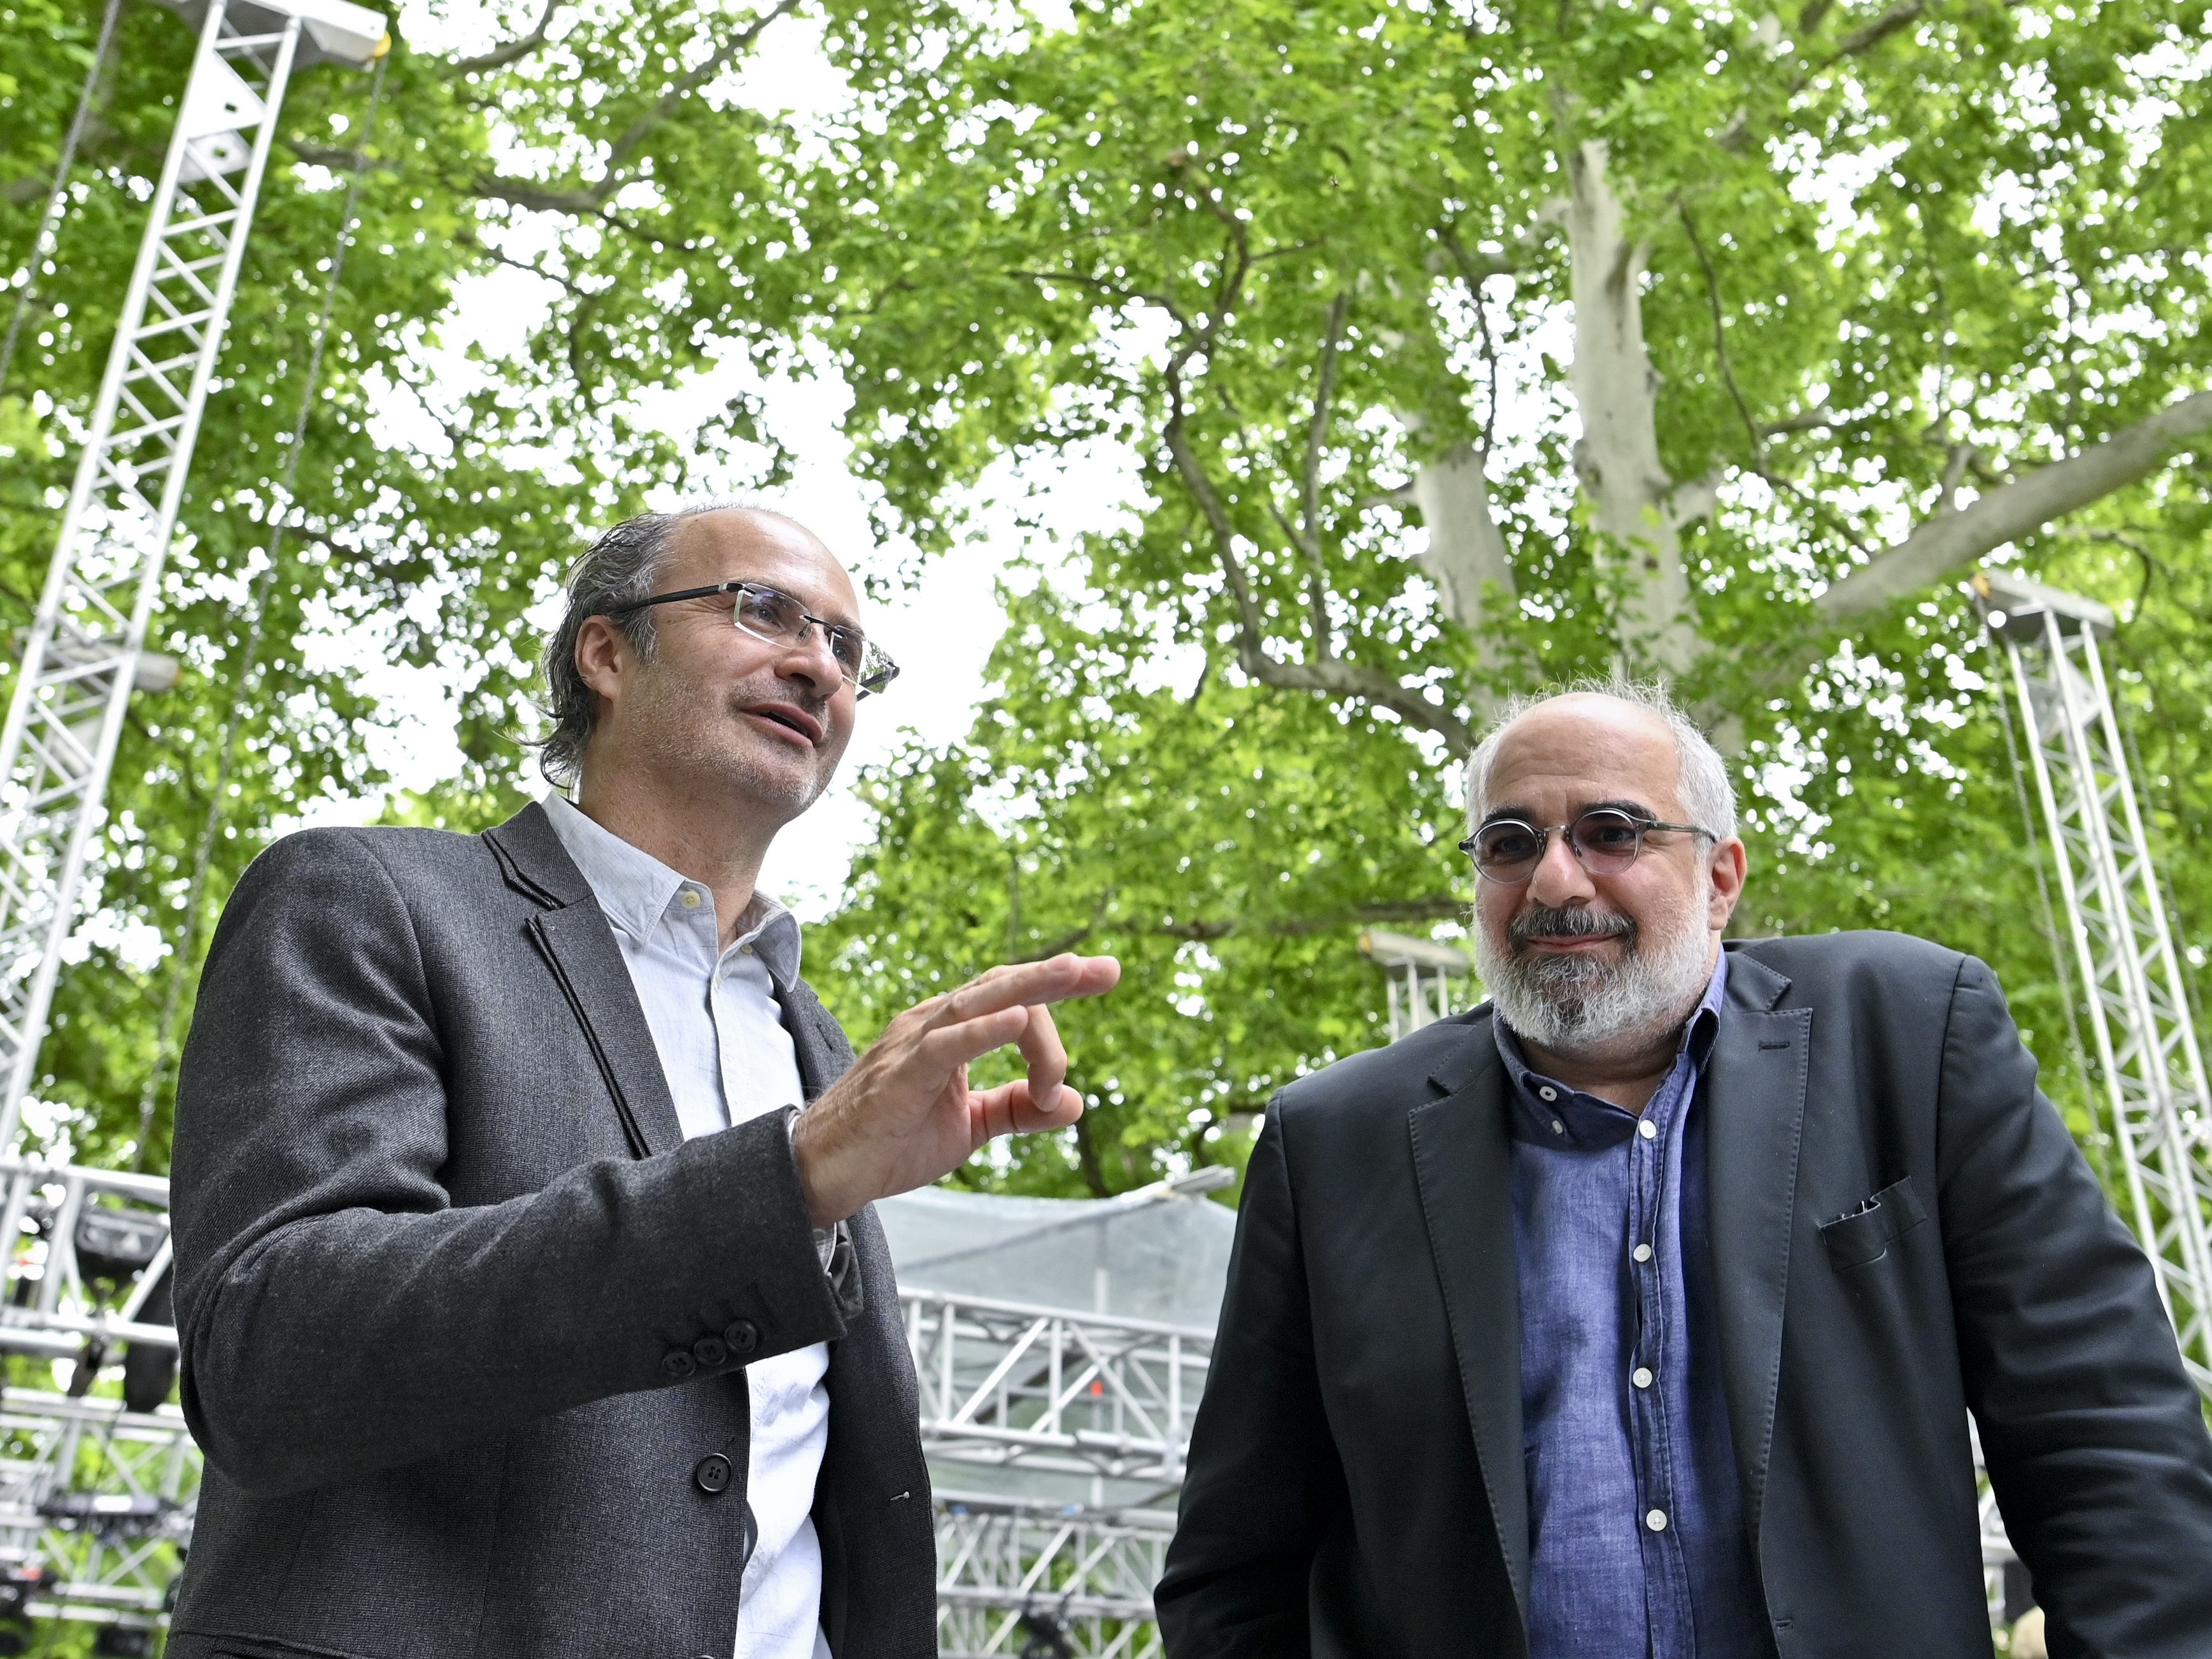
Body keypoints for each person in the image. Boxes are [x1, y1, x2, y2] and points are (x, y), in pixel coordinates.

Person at [164, 503, 1119, 1659]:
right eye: (764, 609)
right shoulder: (370, 900)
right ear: (606, 651)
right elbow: (274, 1351)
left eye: (848, 649)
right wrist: (788, 1179)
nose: (817, 662)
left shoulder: (819, 1043)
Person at [1156, 682, 2212, 1658]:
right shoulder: (1333, 1142)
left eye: (1610, 832)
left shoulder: (1906, 1034)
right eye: (1509, 842)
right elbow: (1235, 1570)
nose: (1555, 879)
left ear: (1719, 878)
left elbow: (2105, 1440)